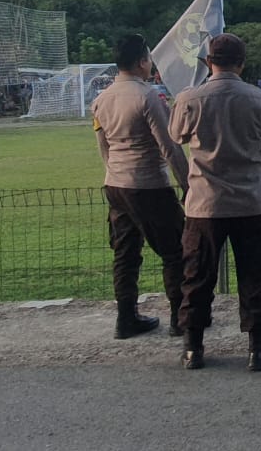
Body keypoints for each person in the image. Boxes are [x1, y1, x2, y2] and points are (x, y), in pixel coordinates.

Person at [169, 34, 261, 371]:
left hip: (204, 203)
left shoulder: (190, 99)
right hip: (250, 201)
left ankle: (193, 347)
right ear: (242, 63)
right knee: (254, 275)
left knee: (196, 276)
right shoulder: (260, 101)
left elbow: (176, 136)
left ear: (208, 62)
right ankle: (258, 347)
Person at [90, 35, 189, 341]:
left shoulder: (101, 99)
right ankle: (181, 317)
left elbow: (103, 146)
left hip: (115, 184)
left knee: (125, 253)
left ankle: (126, 318)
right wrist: (187, 183)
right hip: (149, 184)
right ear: (142, 62)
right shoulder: (148, 97)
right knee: (175, 251)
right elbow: (169, 147)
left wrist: (113, 173)